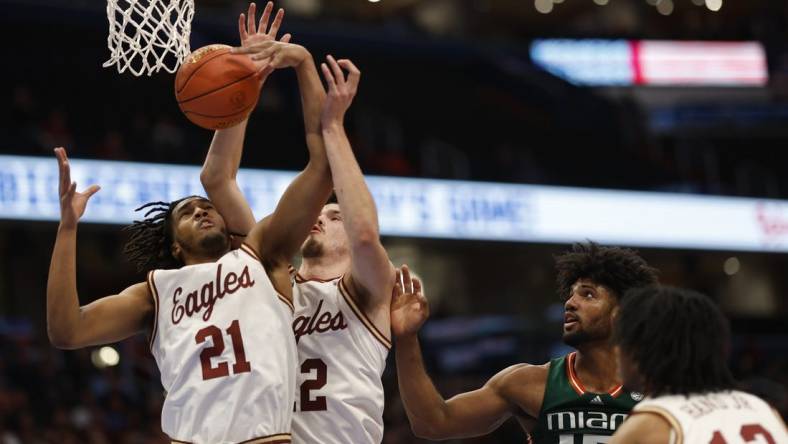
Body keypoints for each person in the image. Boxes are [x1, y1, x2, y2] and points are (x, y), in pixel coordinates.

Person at [45, 8, 330, 441]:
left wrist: (294, 67)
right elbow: (66, 330)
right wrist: (67, 229)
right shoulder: (156, 291)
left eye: (207, 208)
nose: (202, 210)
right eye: (187, 213)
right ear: (175, 246)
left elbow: (319, 169)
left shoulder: (262, 258)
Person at [201, 13, 395, 443]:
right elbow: (218, 180)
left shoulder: (369, 288)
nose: (320, 216)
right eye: (319, 213)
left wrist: (332, 123)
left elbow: (363, 232)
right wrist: (243, 87)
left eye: (335, 215)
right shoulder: (268, 277)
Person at [391, 242, 658, 442]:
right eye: (571, 294)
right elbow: (434, 422)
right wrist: (406, 337)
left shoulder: (661, 389)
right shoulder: (528, 383)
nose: (570, 303)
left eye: (587, 295)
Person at [610, 286, 788, 444]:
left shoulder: (652, 422)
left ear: (640, 350)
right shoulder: (762, 408)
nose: (616, 349)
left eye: (622, 340)